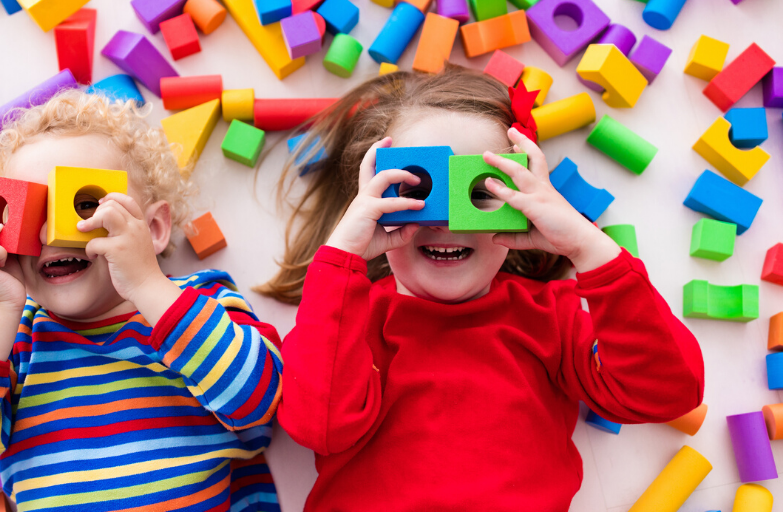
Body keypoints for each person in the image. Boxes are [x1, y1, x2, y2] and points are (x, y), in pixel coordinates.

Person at [258, 67, 704, 511]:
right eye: (418, 191)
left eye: (479, 193)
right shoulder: (350, 319)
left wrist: (588, 249)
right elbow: (318, 427)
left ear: (524, 206)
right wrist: (341, 260)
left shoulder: (551, 317)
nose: (447, 221)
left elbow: (669, 391)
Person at [0, 89, 283, 511]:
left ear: (154, 229)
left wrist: (146, 284)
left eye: (83, 206)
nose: (50, 236)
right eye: (28, 216)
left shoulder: (197, 303)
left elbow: (260, 402)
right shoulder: (13, 341)